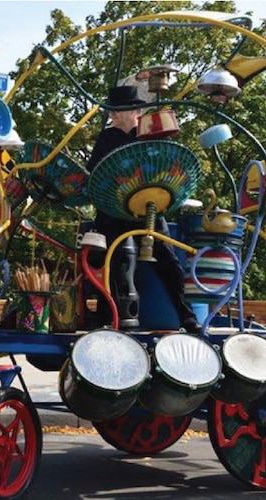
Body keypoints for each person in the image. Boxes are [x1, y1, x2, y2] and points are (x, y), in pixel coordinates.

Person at [85, 85, 199, 332]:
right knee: (108, 259)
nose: (113, 116)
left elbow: (167, 163)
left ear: (134, 111)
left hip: (148, 208)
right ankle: (110, 316)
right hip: (114, 211)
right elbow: (93, 173)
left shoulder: (149, 131)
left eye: (117, 111)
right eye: (112, 111)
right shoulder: (107, 138)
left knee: (169, 263)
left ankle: (187, 317)